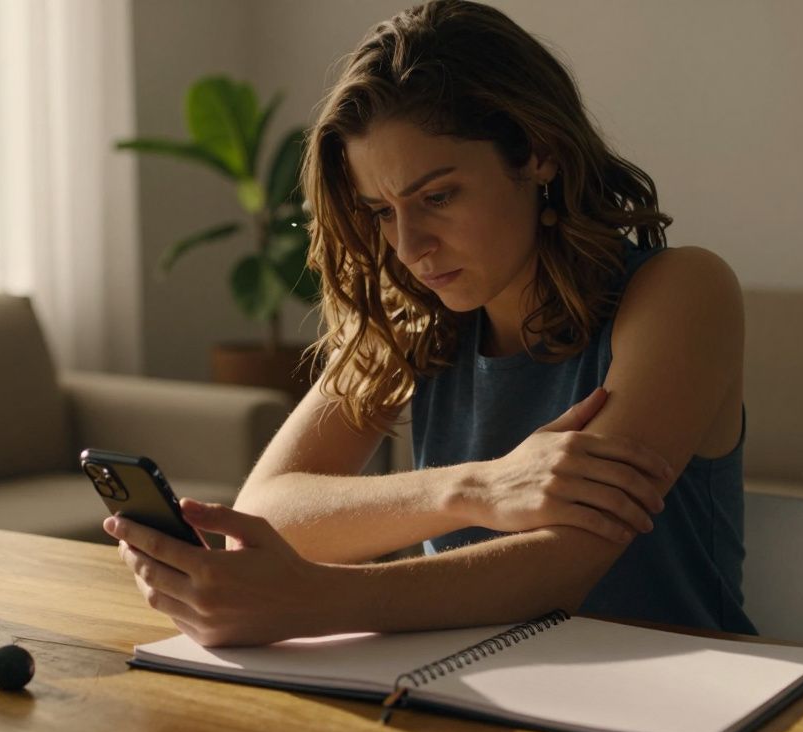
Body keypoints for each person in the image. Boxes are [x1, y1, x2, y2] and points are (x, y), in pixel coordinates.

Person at [104, 0, 753, 646]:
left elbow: (566, 566)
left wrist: (309, 601)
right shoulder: (416, 319)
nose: (410, 247)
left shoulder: (681, 292)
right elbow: (268, 510)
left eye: (437, 197)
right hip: (475, 688)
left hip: (687, 694)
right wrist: (476, 488)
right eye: (382, 211)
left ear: (538, 155)